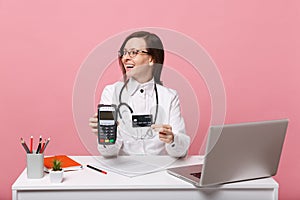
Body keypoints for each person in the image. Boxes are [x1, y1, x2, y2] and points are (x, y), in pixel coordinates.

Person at [89, 31, 190, 157]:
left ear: (151, 59)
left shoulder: (169, 96)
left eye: (133, 52)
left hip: (159, 170)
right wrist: (105, 134)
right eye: (124, 53)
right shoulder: (111, 92)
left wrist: (172, 139)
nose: (125, 58)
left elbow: (180, 153)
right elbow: (108, 153)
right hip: (125, 171)